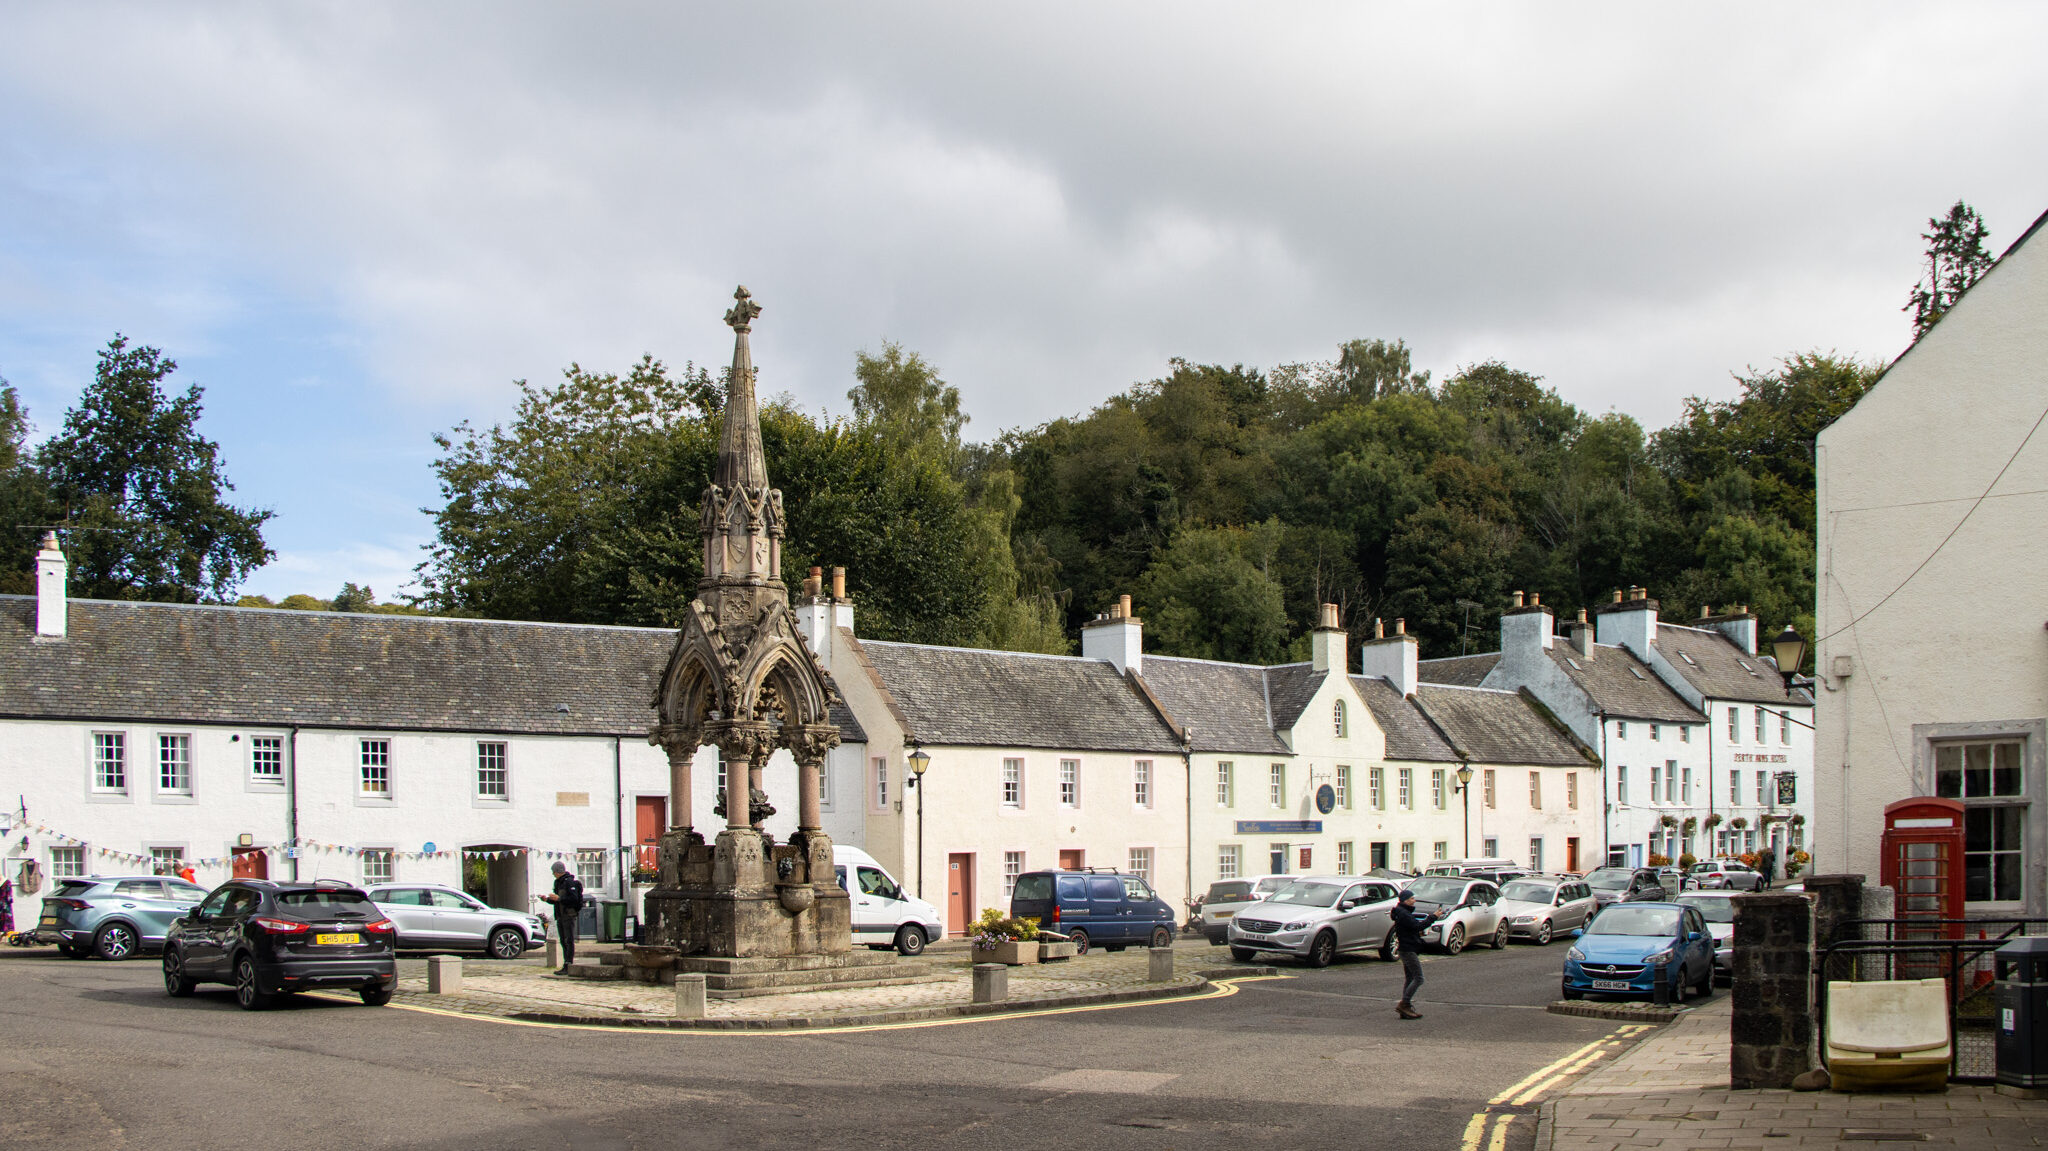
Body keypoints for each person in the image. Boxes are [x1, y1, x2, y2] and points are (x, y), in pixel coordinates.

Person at [1391, 890, 1435, 1020]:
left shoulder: (1401, 912)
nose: (1414, 900)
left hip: (1405, 948)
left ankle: (1406, 1007)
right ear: (1405, 900)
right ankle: (1404, 1003)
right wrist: (1433, 917)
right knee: (1419, 978)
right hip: (1408, 949)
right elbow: (1417, 926)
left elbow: (1411, 929)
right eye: (1411, 899)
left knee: (1410, 978)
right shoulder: (1404, 914)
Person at [539, 861, 586, 973]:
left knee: (568, 940)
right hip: (560, 915)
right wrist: (547, 899)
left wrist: (559, 899)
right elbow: (557, 901)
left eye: (554, 872)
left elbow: (573, 899)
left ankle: (569, 963)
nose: (553, 874)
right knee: (563, 940)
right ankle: (566, 964)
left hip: (569, 915)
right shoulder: (558, 883)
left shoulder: (569, 882)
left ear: (558, 871)